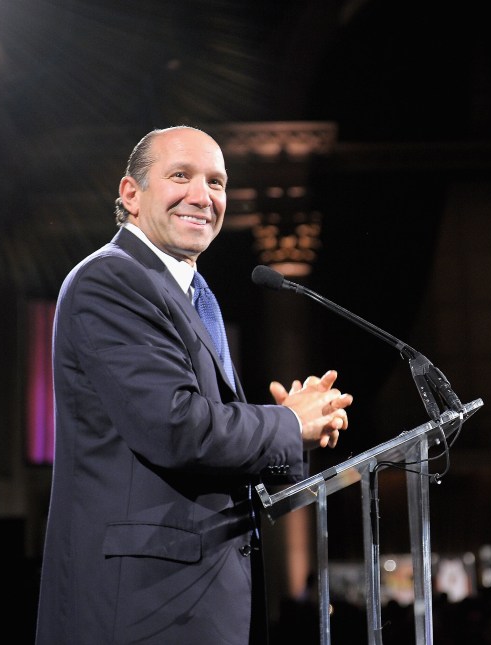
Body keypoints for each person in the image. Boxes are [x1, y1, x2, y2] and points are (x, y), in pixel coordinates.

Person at [34, 125, 353, 644]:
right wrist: (288, 423)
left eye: (217, 182)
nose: (202, 196)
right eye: (180, 176)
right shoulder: (111, 281)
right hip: (142, 606)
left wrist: (291, 425)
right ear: (130, 195)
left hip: (187, 599)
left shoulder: (187, 291)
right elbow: (176, 426)